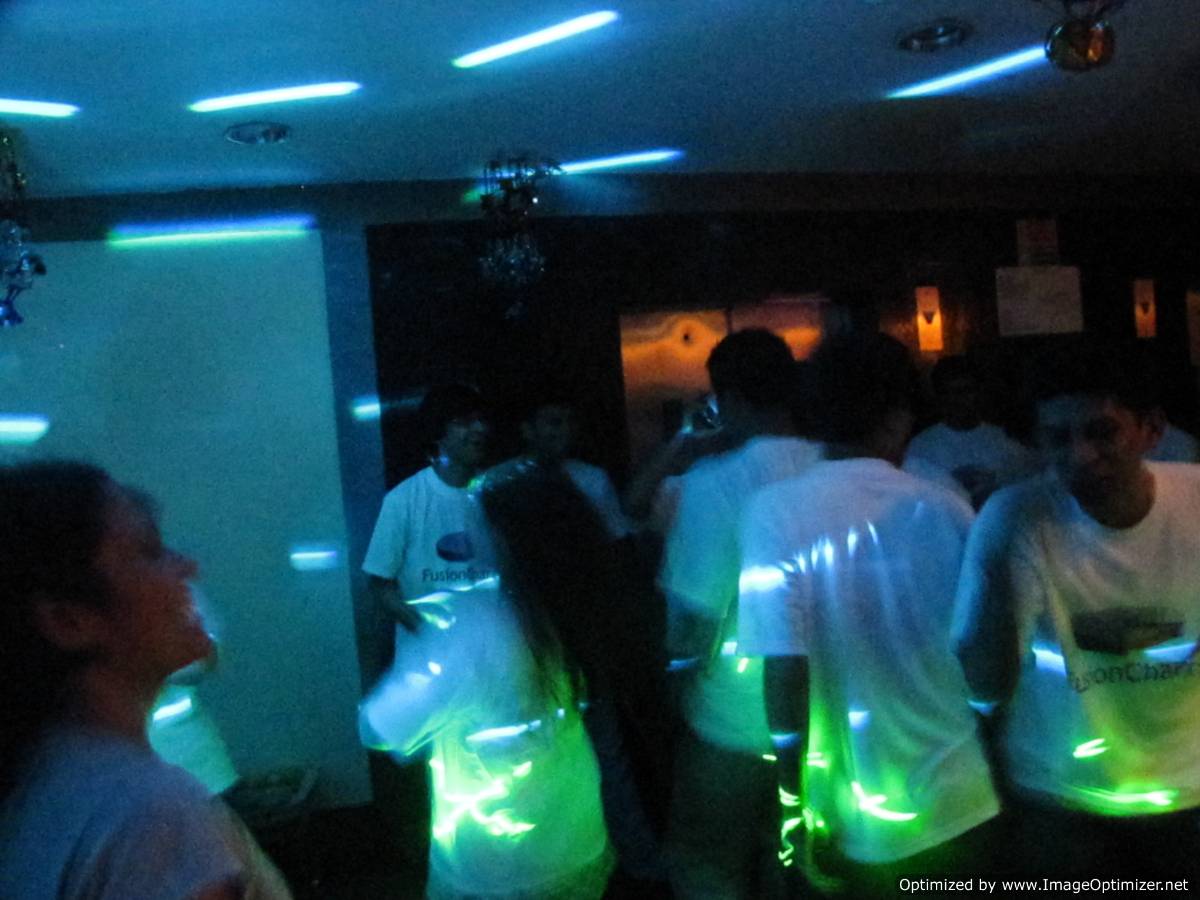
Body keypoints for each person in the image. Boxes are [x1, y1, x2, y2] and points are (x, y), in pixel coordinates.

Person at [738, 332, 999, 896]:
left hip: (854, 805)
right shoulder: (946, 503)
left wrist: (790, 805)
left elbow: (784, 669)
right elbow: (984, 648)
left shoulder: (774, 511)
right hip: (963, 791)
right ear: (899, 416)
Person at [953, 341, 1200, 881]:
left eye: (1102, 432)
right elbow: (986, 684)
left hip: (1188, 786)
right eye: (1058, 438)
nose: (1081, 456)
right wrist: (1001, 567)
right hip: (1058, 795)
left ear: (1152, 430)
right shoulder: (1014, 516)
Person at [0, 461, 290, 900]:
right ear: (68, 621)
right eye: (150, 551)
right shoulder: (154, 817)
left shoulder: (38, 776)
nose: (188, 566)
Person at [359, 464, 615, 899]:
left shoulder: (473, 629)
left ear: (506, 538)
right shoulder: (583, 605)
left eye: (478, 522)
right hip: (578, 838)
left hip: (496, 868)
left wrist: (409, 657)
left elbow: (379, 727)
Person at [659, 329, 821, 899]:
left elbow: (693, 622)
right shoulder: (834, 467)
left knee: (708, 866)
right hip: (828, 724)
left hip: (733, 719)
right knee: (792, 866)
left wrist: (676, 694)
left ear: (728, 398)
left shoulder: (713, 484)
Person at [363, 384, 494, 646]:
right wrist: (426, 630)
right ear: (438, 431)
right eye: (464, 422)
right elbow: (380, 584)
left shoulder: (496, 493)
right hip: (427, 659)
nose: (479, 429)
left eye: (481, 420)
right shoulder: (404, 499)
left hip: (494, 654)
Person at [906, 355, 1033, 508]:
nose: (958, 400)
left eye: (965, 391)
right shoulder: (921, 448)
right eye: (949, 392)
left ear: (979, 393)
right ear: (939, 397)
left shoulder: (1004, 442)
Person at [514, 388, 630, 540]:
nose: (566, 430)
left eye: (570, 421)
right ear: (527, 430)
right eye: (555, 422)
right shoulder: (497, 481)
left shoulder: (593, 479)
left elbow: (617, 535)